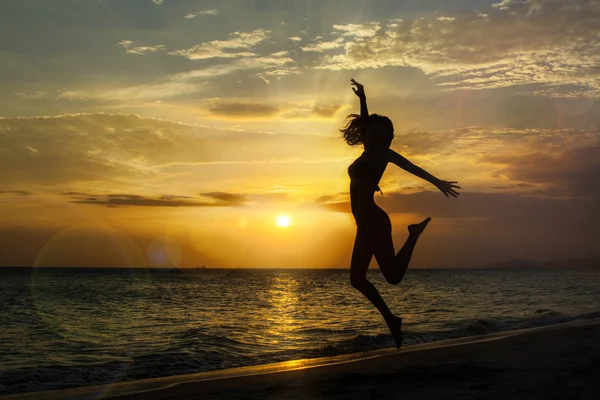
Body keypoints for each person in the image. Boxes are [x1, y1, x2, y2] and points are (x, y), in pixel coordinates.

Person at [342, 79, 460, 349]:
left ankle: (391, 319)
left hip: (372, 221)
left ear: (380, 135)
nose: (366, 130)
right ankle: (414, 235)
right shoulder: (369, 151)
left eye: (372, 129)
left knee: (358, 278)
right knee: (392, 277)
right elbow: (364, 122)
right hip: (369, 223)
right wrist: (363, 98)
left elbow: (412, 166)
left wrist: (437, 182)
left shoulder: (383, 153)